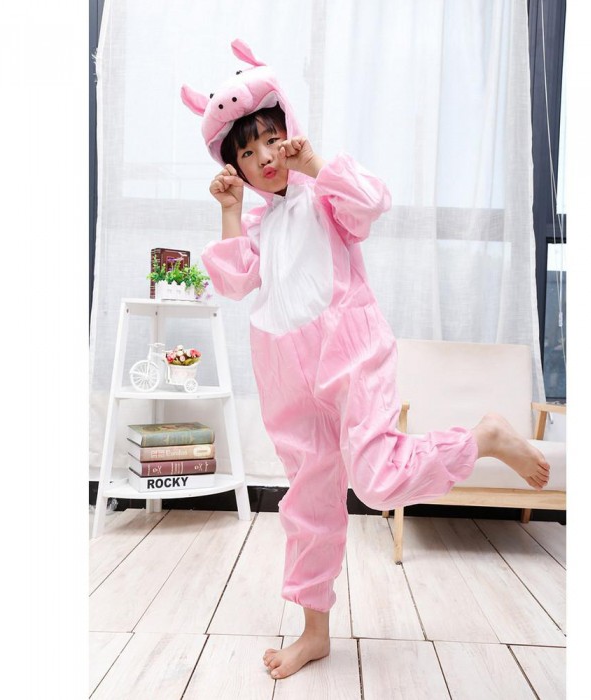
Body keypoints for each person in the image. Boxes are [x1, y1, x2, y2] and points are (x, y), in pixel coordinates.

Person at [181, 39, 550, 681]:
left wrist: (316, 163)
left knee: (376, 481)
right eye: (246, 152)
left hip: (350, 356)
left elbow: (372, 201)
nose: (263, 156)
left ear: (289, 132)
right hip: (285, 377)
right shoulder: (260, 225)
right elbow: (235, 282)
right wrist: (231, 212)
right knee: (308, 504)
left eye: (270, 139)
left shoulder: (324, 197)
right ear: (235, 167)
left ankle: (483, 437)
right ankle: (314, 633)